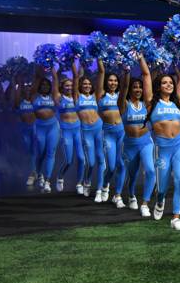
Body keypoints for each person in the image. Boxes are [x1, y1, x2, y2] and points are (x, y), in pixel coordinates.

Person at [148, 66, 180, 230]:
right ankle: (160, 201)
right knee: (162, 187)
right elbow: (146, 75)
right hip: (162, 148)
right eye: (164, 83)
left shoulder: (177, 101)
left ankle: (176, 217)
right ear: (158, 86)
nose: (168, 85)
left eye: (170, 82)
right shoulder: (151, 102)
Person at [117, 55, 156, 215]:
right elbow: (124, 87)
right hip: (130, 145)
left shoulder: (147, 104)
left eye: (140, 87)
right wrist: (126, 71)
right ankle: (131, 195)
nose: (138, 89)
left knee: (151, 171)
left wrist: (141, 59)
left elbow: (147, 76)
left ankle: (145, 203)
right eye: (135, 87)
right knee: (132, 174)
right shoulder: (123, 104)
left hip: (146, 143)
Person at [96, 60, 126, 207]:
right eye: (110, 80)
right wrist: (100, 57)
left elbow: (126, 85)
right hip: (108, 133)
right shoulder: (101, 94)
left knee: (121, 165)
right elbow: (101, 72)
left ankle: (118, 195)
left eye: (115, 80)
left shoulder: (121, 95)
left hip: (121, 132)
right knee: (112, 166)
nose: (113, 83)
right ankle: (105, 185)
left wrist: (126, 69)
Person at [74, 64, 106, 201]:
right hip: (86, 131)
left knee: (101, 161)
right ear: (81, 86)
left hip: (98, 129)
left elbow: (101, 74)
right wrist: (76, 62)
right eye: (84, 84)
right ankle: (86, 181)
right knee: (91, 162)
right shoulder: (77, 97)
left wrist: (98, 58)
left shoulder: (95, 96)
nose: (87, 85)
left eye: (89, 84)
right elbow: (76, 78)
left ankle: (99, 189)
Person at [52, 65, 85, 195]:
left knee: (82, 159)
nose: (70, 87)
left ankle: (79, 183)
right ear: (62, 87)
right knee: (69, 160)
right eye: (67, 85)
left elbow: (78, 76)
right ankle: (60, 177)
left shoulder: (76, 96)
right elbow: (54, 79)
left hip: (78, 130)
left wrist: (81, 62)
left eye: (71, 85)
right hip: (65, 131)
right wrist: (53, 67)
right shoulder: (58, 97)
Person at [31, 67, 61, 193]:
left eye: (46, 84)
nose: (44, 86)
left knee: (50, 153)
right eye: (42, 84)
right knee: (40, 153)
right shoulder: (34, 96)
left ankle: (48, 180)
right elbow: (37, 78)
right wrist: (41, 64)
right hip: (39, 127)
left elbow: (55, 79)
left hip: (53, 127)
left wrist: (53, 66)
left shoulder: (54, 96)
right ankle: (39, 174)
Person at [10, 75, 38, 186]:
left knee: (34, 151)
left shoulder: (35, 101)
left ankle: (34, 172)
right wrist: (16, 82)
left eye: (29, 88)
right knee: (26, 150)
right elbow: (17, 94)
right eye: (26, 88)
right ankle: (25, 169)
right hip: (24, 128)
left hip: (35, 128)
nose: (28, 89)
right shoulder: (19, 101)